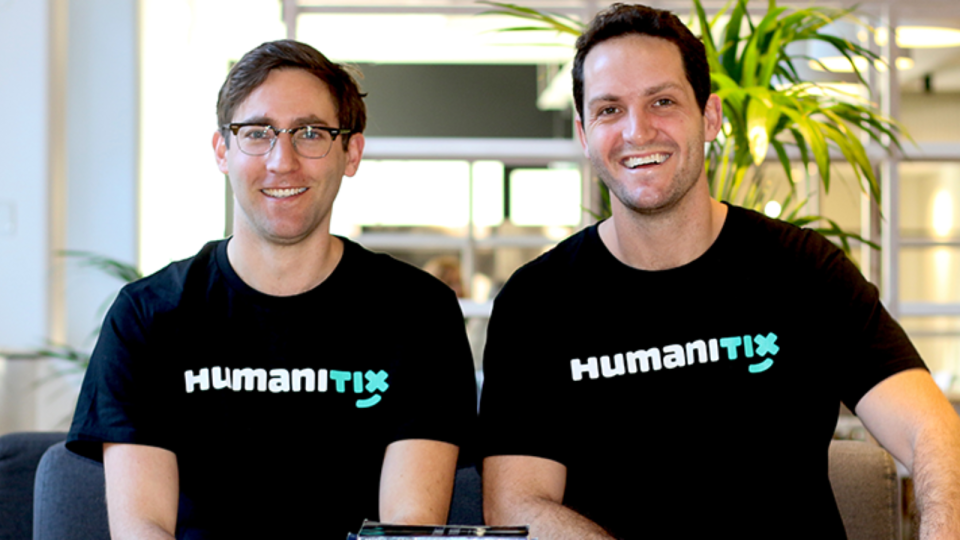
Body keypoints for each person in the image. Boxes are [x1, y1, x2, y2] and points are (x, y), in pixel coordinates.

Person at [478, 4, 960, 539]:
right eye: (610, 109)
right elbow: (517, 504)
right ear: (585, 132)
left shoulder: (803, 271)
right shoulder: (537, 302)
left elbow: (932, 431)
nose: (637, 131)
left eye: (662, 102)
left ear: (709, 116)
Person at [67, 39, 478, 539]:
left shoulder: (418, 313)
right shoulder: (149, 315)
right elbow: (143, 529)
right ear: (223, 151)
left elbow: (406, 527)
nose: (282, 161)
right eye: (257, 133)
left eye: (310, 132)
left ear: (351, 152)